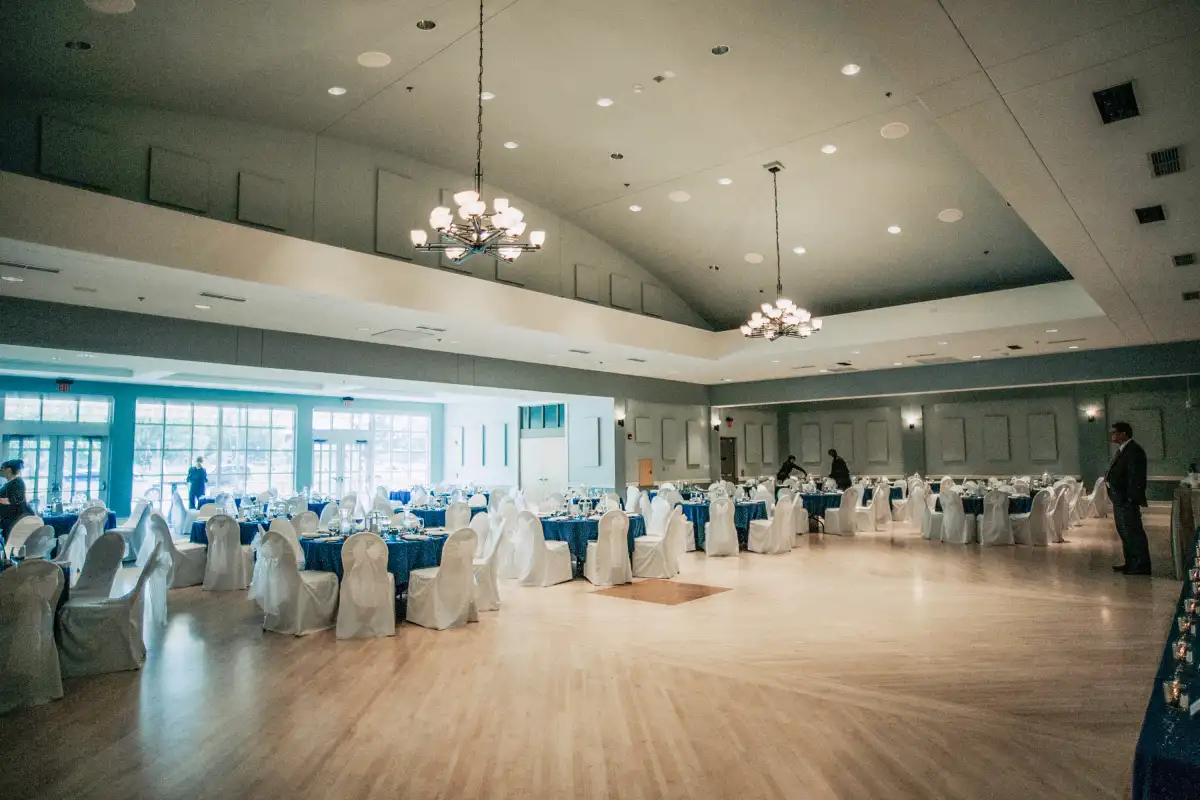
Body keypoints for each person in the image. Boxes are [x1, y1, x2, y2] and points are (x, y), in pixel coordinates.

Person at [1106, 421, 1150, 575]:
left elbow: (1135, 477)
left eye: (1114, 432)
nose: (1112, 435)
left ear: (1123, 434)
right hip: (1120, 499)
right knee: (1125, 532)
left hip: (1127, 500)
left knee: (1133, 532)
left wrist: (1131, 499)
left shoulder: (1133, 451)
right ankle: (1130, 562)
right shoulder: (1123, 450)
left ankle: (1140, 565)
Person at [0, 459, 34, 541]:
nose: (0, 471)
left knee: (13, 546)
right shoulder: (10, 483)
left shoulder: (17, 483)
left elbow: (14, 501)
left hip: (15, 521)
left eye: (2, 468)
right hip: (9, 520)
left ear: (8, 470)